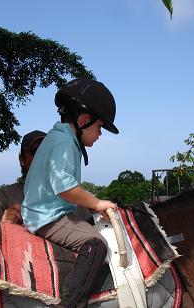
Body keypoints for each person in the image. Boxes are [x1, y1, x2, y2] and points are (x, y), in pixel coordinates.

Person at [22, 78, 119, 308]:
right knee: (96, 244)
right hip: (47, 217)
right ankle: (72, 303)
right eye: (100, 127)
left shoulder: (59, 138)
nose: (100, 134)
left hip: (46, 211)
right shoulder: (64, 142)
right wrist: (97, 203)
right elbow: (65, 188)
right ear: (84, 120)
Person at [0, 130, 47, 224]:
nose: (43, 156)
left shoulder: (66, 196)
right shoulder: (2, 198)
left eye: (49, 151)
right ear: (22, 160)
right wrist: (4, 227)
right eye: (35, 151)